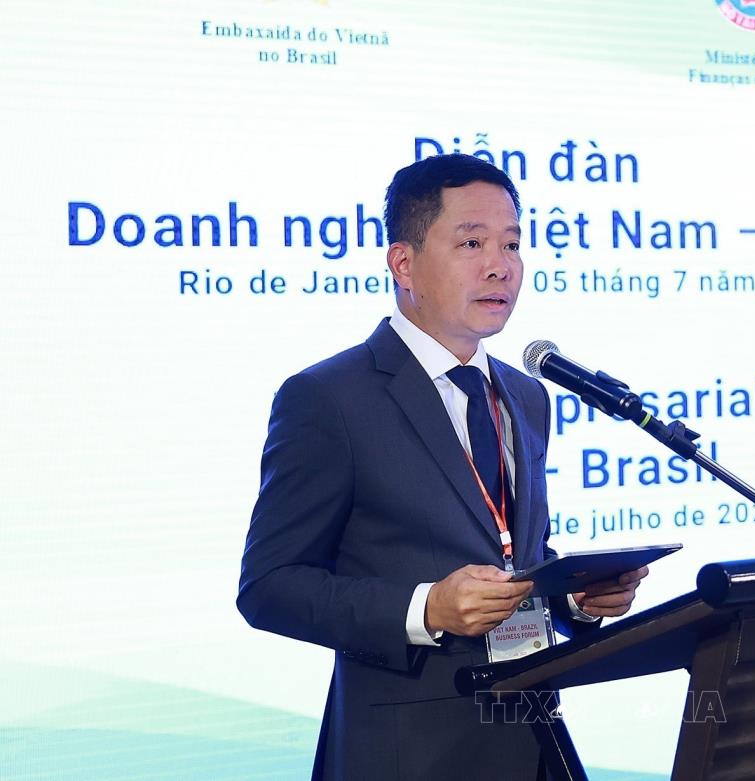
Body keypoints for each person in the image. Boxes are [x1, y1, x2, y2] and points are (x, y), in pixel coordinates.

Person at [237, 153, 648, 780]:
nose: (500, 265)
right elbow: (270, 587)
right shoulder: (329, 399)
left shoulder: (526, 395)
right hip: (408, 754)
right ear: (403, 263)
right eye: (472, 243)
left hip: (534, 740)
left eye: (512, 244)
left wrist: (578, 598)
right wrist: (425, 608)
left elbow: (515, 554)